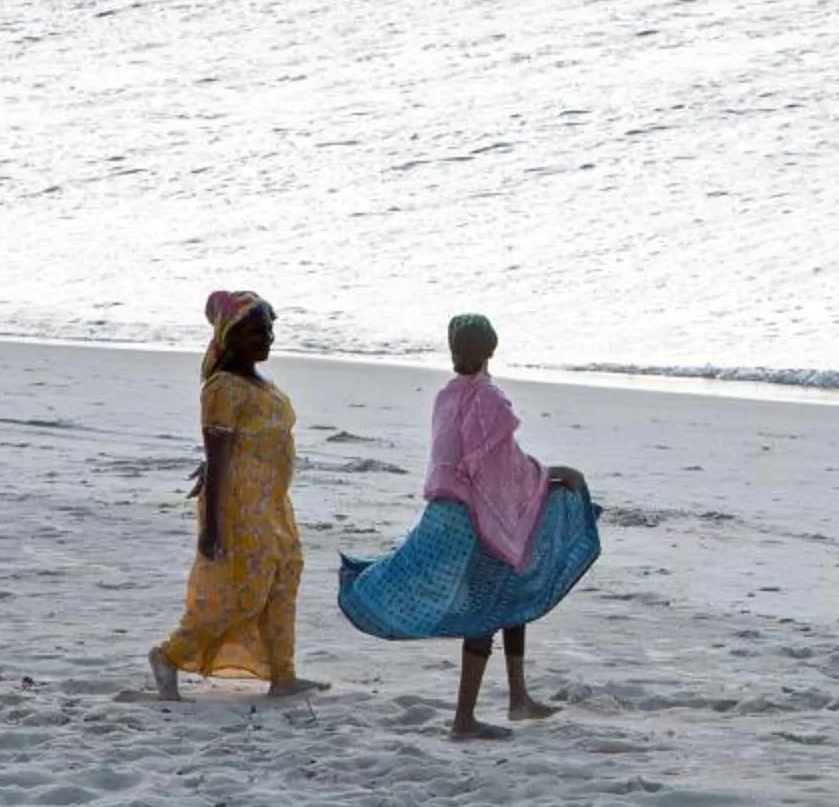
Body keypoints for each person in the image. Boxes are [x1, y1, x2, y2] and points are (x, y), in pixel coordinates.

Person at [338, 315, 601, 741]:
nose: (462, 355)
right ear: (490, 350)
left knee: (513, 588)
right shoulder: (487, 397)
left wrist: (540, 478)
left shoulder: (447, 394)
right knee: (485, 606)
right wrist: (553, 473)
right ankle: (464, 720)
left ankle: (518, 698)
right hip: (470, 518)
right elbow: (498, 467)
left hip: (447, 511)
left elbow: (480, 462)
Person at [151, 291, 319, 700]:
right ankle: (169, 655)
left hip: (275, 502)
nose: (269, 338)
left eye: (270, 329)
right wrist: (211, 527)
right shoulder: (222, 388)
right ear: (231, 336)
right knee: (244, 593)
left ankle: (283, 674)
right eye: (257, 331)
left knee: (285, 578)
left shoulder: (260, 382)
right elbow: (218, 451)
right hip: (240, 505)